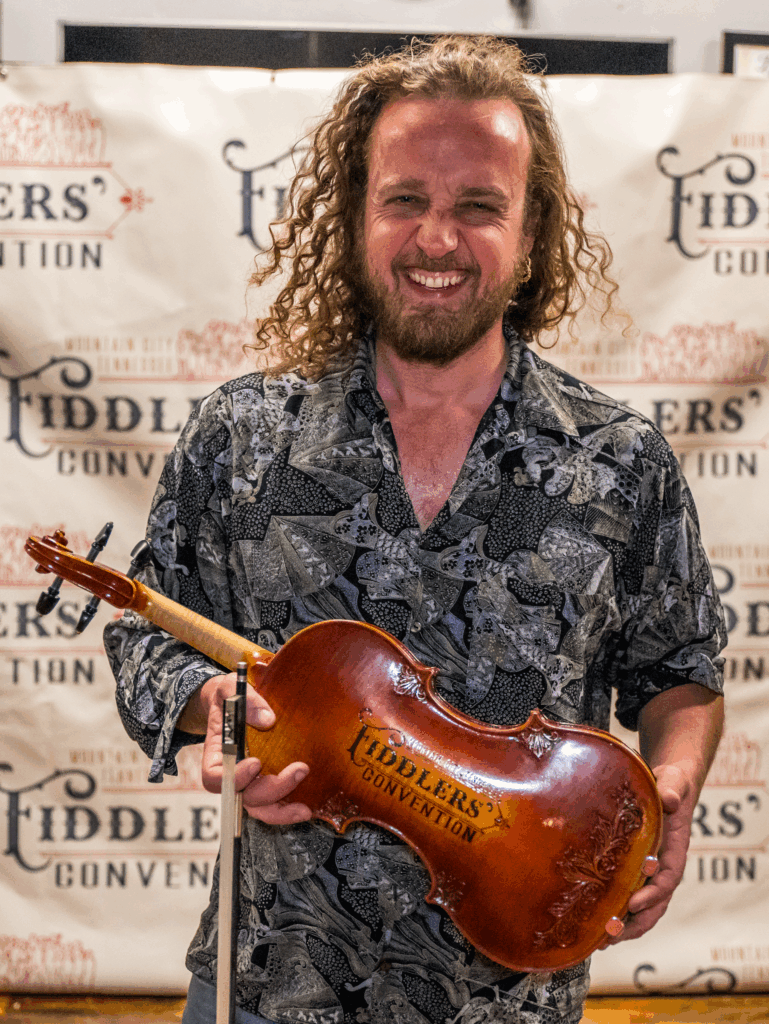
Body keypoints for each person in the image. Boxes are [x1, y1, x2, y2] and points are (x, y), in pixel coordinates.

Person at [104, 35, 726, 1024]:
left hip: (512, 997)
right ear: (357, 213)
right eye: (405, 200)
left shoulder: (620, 459)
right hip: (272, 984)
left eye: (478, 206)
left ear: (530, 233)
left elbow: (679, 675)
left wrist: (674, 783)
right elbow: (144, 634)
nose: (437, 238)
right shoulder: (242, 437)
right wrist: (217, 715)